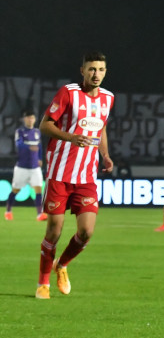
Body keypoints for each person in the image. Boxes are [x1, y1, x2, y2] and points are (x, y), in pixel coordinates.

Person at [35, 51, 115, 300]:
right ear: (82, 71)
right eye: (91, 69)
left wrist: (105, 154)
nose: (96, 74)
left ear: (105, 71)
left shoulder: (108, 98)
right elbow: (45, 125)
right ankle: (43, 283)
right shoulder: (68, 93)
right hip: (60, 173)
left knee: (86, 232)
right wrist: (71, 137)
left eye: (100, 69)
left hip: (87, 176)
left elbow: (101, 127)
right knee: (54, 232)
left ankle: (62, 264)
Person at [5, 109, 48, 221]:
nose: (30, 119)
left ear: (34, 119)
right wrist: (28, 147)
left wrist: (39, 158)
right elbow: (18, 144)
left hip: (35, 167)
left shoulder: (37, 132)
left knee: (38, 189)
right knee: (15, 190)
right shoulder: (20, 131)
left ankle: (40, 214)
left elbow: (40, 147)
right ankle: (8, 211)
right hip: (22, 167)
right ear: (24, 119)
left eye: (32, 117)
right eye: (28, 117)